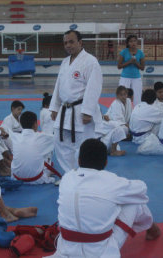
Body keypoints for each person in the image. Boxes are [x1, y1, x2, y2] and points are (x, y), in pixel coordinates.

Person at [47, 139, 160, 258]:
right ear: (106, 163)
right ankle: (152, 229)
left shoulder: (67, 178)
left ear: (79, 161)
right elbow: (142, 188)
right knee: (133, 201)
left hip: (66, 250)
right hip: (101, 253)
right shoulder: (112, 181)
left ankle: (152, 228)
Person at [49, 30, 103, 174]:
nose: (68, 45)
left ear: (80, 42)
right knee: (60, 143)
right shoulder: (65, 62)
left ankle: (85, 175)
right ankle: (70, 175)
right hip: (64, 110)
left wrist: (87, 111)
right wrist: (54, 107)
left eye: (71, 42)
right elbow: (58, 85)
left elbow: (94, 87)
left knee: (83, 146)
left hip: (80, 110)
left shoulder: (90, 61)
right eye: (65, 43)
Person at [11, 111, 56, 184]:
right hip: (36, 179)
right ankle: (48, 171)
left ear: (21, 124)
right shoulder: (42, 137)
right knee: (48, 151)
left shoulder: (14, 136)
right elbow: (58, 139)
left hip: (16, 177)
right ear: (35, 124)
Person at [118, 35, 145, 106]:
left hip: (136, 77)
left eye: (135, 41)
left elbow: (142, 67)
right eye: (131, 41)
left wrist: (135, 62)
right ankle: (123, 112)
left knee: (137, 97)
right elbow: (119, 66)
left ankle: (137, 113)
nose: (133, 43)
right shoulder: (123, 52)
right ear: (128, 43)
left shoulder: (140, 53)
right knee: (123, 96)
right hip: (125, 77)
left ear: (137, 42)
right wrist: (129, 61)